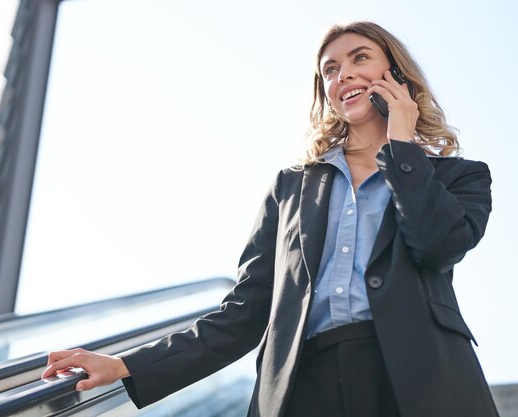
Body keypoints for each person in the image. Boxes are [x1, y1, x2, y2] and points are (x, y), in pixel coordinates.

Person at [42, 21, 499, 417]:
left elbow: (437, 244)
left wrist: (401, 146)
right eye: (331, 70)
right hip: (305, 384)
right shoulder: (292, 187)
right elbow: (244, 312)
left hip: (416, 380)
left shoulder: (459, 177)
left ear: (395, 73)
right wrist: (127, 365)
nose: (345, 74)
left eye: (360, 57)